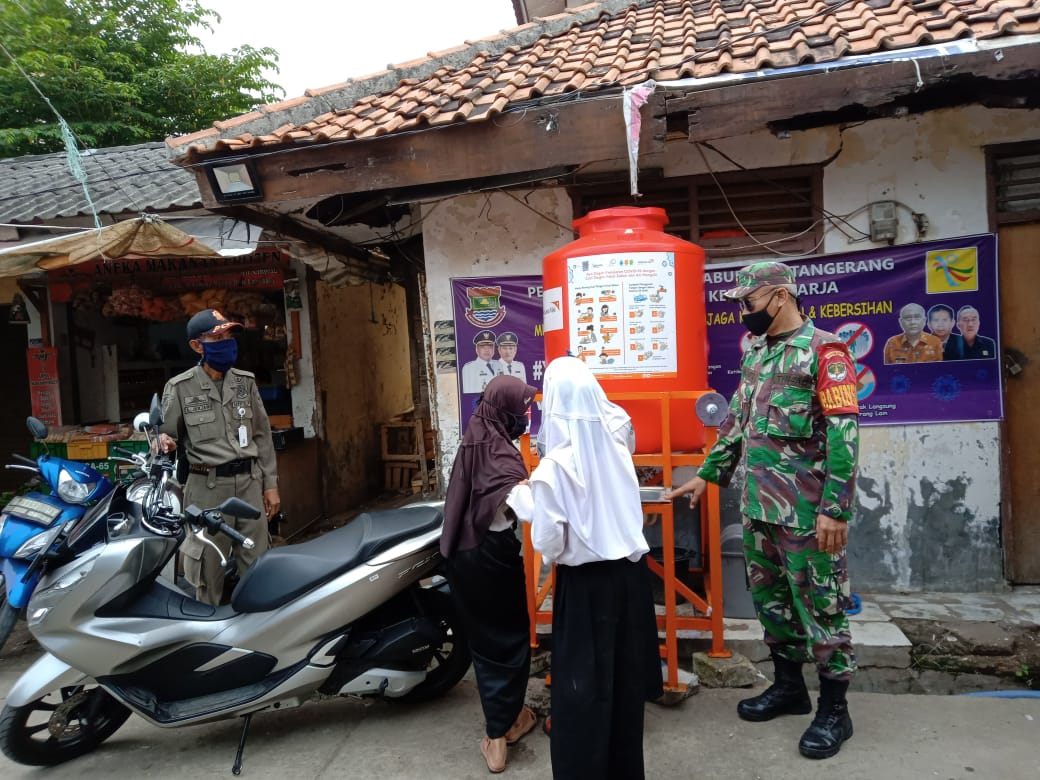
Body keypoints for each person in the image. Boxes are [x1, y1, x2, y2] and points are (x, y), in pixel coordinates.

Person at [664, 261, 859, 760]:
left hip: (808, 515)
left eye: (748, 302)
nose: (743, 313)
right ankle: (790, 688)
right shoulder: (757, 351)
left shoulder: (825, 352)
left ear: (779, 296)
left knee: (822, 608)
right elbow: (736, 421)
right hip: (759, 509)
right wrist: (708, 475)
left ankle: (835, 711)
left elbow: (844, 434)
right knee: (772, 605)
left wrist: (835, 509)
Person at [527, 356, 662, 780]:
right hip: (631, 581)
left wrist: (530, 507)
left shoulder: (553, 470)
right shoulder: (618, 445)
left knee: (581, 695)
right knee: (624, 689)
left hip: (585, 587)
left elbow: (548, 543)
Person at [441, 375, 540, 774]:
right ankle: (498, 736)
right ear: (505, 410)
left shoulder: (475, 436)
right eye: (522, 407)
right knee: (509, 639)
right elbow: (527, 507)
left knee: (487, 644)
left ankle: (511, 719)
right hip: (491, 555)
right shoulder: (498, 452)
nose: (526, 414)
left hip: (462, 555)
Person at [159, 309, 280, 606]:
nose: (226, 343)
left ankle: (259, 624)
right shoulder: (180, 387)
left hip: (249, 484)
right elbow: (164, 435)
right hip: (207, 489)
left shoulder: (245, 382)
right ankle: (207, 624)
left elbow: (262, 437)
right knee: (207, 568)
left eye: (228, 336)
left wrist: (270, 484)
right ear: (197, 346)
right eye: (217, 338)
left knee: (258, 564)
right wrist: (163, 442)